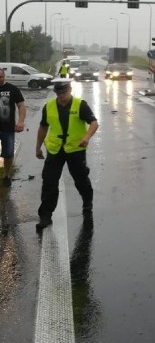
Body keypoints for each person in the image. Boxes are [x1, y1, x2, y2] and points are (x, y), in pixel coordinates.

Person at [35, 76, 99, 229]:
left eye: (64, 93)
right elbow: (43, 127)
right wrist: (38, 147)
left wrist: (87, 137)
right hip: (55, 149)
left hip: (75, 149)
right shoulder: (48, 106)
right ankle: (45, 215)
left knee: (81, 179)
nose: (61, 96)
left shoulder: (80, 105)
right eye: (58, 94)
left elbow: (94, 123)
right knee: (49, 182)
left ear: (70, 90)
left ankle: (87, 202)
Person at [0, 69, 26, 187]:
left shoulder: (12, 89)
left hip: (8, 127)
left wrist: (21, 122)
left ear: (4, 77)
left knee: (9, 153)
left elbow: (21, 106)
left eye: (0, 76)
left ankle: (6, 174)